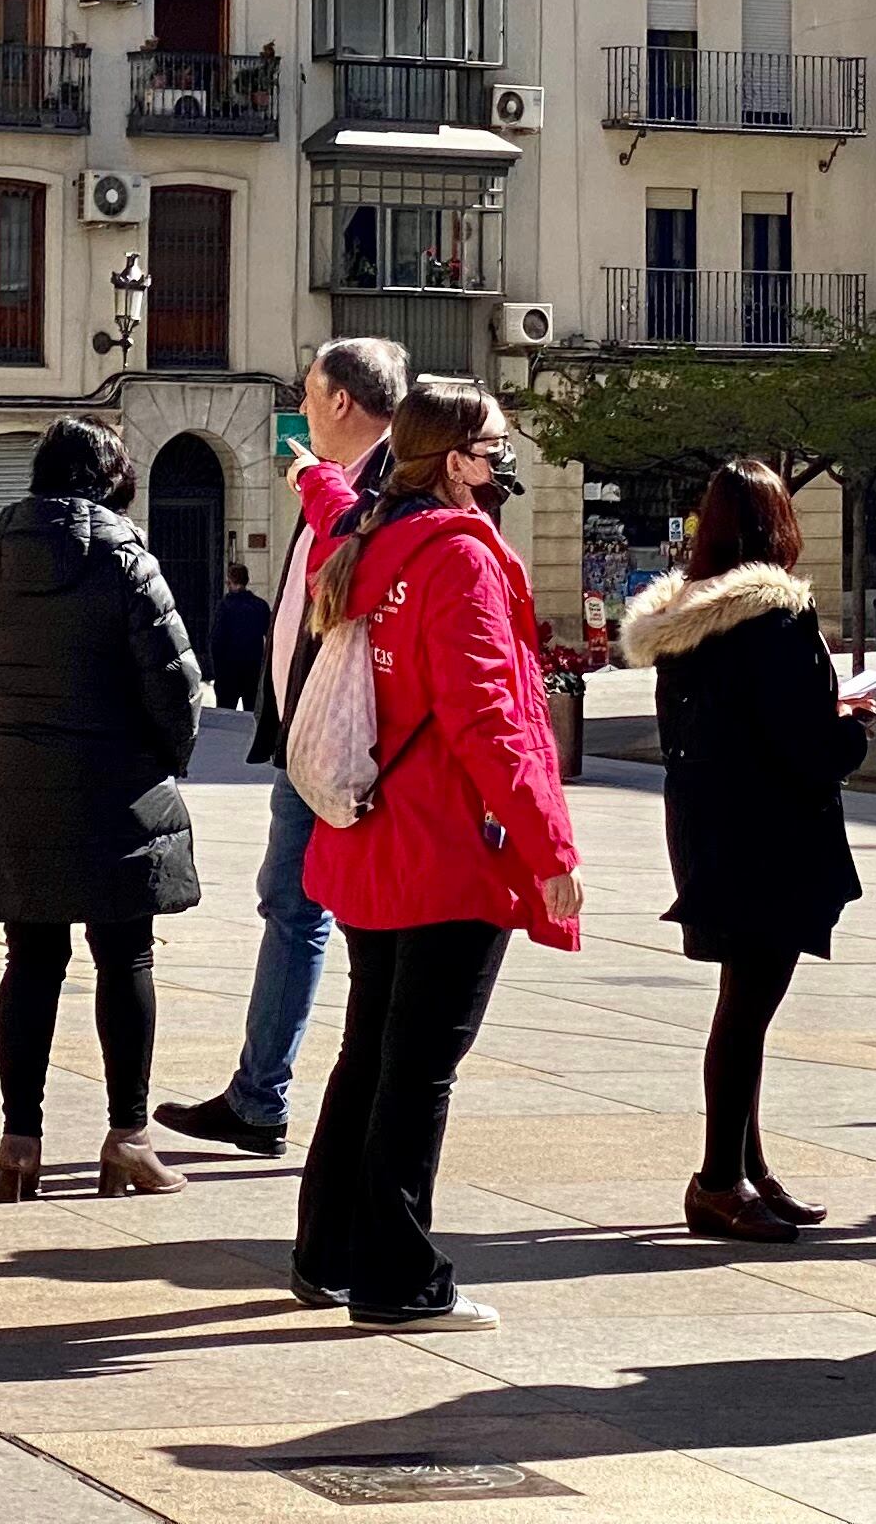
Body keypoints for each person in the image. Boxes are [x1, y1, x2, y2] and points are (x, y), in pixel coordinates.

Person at [291, 379, 582, 1335]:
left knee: (369, 1053)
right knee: (419, 1071)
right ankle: (398, 1277)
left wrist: (315, 476)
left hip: (369, 837)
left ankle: (325, 1252)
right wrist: (548, 846)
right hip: (446, 845)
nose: (505, 460)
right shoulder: (458, 559)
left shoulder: (368, 540)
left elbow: (335, 505)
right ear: (454, 459)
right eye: (494, 447)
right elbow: (490, 718)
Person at [157, 336, 407, 1160]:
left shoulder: (388, 486)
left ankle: (271, 1098)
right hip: (309, 740)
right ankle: (260, 1095)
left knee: (312, 915)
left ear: (340, 401)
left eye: (309, 390)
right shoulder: (325, 483)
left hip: (348, 746)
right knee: (293, 908)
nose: (300, 405)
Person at [0, 415, 207, 1198]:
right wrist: (162, 760)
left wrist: (2, 746)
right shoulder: (127, 558)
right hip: (114, 789)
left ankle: (18, 1142)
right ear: (110, 476)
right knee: (123, 956)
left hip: (13, 784)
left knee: (30, 959)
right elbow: (176, 683)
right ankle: (127, 1139)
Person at [621, 459, 875, 1243]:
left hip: (708, 828)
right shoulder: (776, 620)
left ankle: (748, 1169)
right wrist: (851, 725)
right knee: (745, 1013)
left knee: (744, 1007)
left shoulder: (685, 624)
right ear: (778, 528)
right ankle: (718, 1180)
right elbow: (805, 747)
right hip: (773, 834)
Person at [209, 560, 273, 711]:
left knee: (225, 713)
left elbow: (216, 640)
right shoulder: (260, 606)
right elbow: (270, 637)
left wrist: (216, 668)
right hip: (253, 668)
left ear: (229, 582)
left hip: (228, 669)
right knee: (251, 714)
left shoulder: (224, 606)